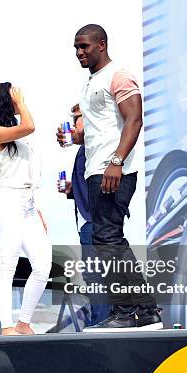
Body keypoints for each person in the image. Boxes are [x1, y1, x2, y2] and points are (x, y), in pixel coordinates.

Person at [73, 24, 162, 330]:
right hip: (96, 169)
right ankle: (143, 310)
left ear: (102, 45)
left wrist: (116, 161)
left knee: (107, 238)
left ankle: (128, 311)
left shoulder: (118, 75)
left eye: (84, 46)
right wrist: (75, 139)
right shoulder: (90, 84)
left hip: (114, 170)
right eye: (76, 48)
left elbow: (134, 120)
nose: (79, 52)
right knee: (108, 238)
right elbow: (100, 128)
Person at [0, 83, 51, 335]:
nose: (19, 97)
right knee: (7, 266)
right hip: (6, 202)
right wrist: (21, 104)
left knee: (42, 266)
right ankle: (7, 325)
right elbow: (29, 125)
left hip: (27, 203)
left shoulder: (12, 134)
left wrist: (37, 208)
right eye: (14, 95)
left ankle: (23, 322)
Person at [57, 104, 109, 326]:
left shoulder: (95, 147)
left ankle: (101, 322)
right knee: (95, 276)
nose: (73, 123)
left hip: (94, 221)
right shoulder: (84, 149)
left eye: (77, 118)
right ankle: (102, 320)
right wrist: (72, 190)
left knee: (96, 276)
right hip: (89, 220)